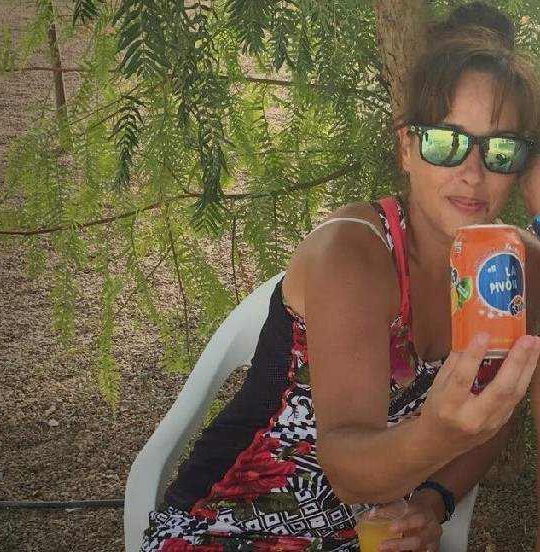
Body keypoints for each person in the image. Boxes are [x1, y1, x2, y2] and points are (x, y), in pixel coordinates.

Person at [141, 3, 540, 551]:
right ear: (406, 147)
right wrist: (436, 434)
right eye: (445, 142)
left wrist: (432, 503)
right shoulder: (352, 253)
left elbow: (494, 412)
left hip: (371, 532)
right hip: (229, 522)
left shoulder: (514, 267)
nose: (473, 173)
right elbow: (348, 469)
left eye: (500, 149)